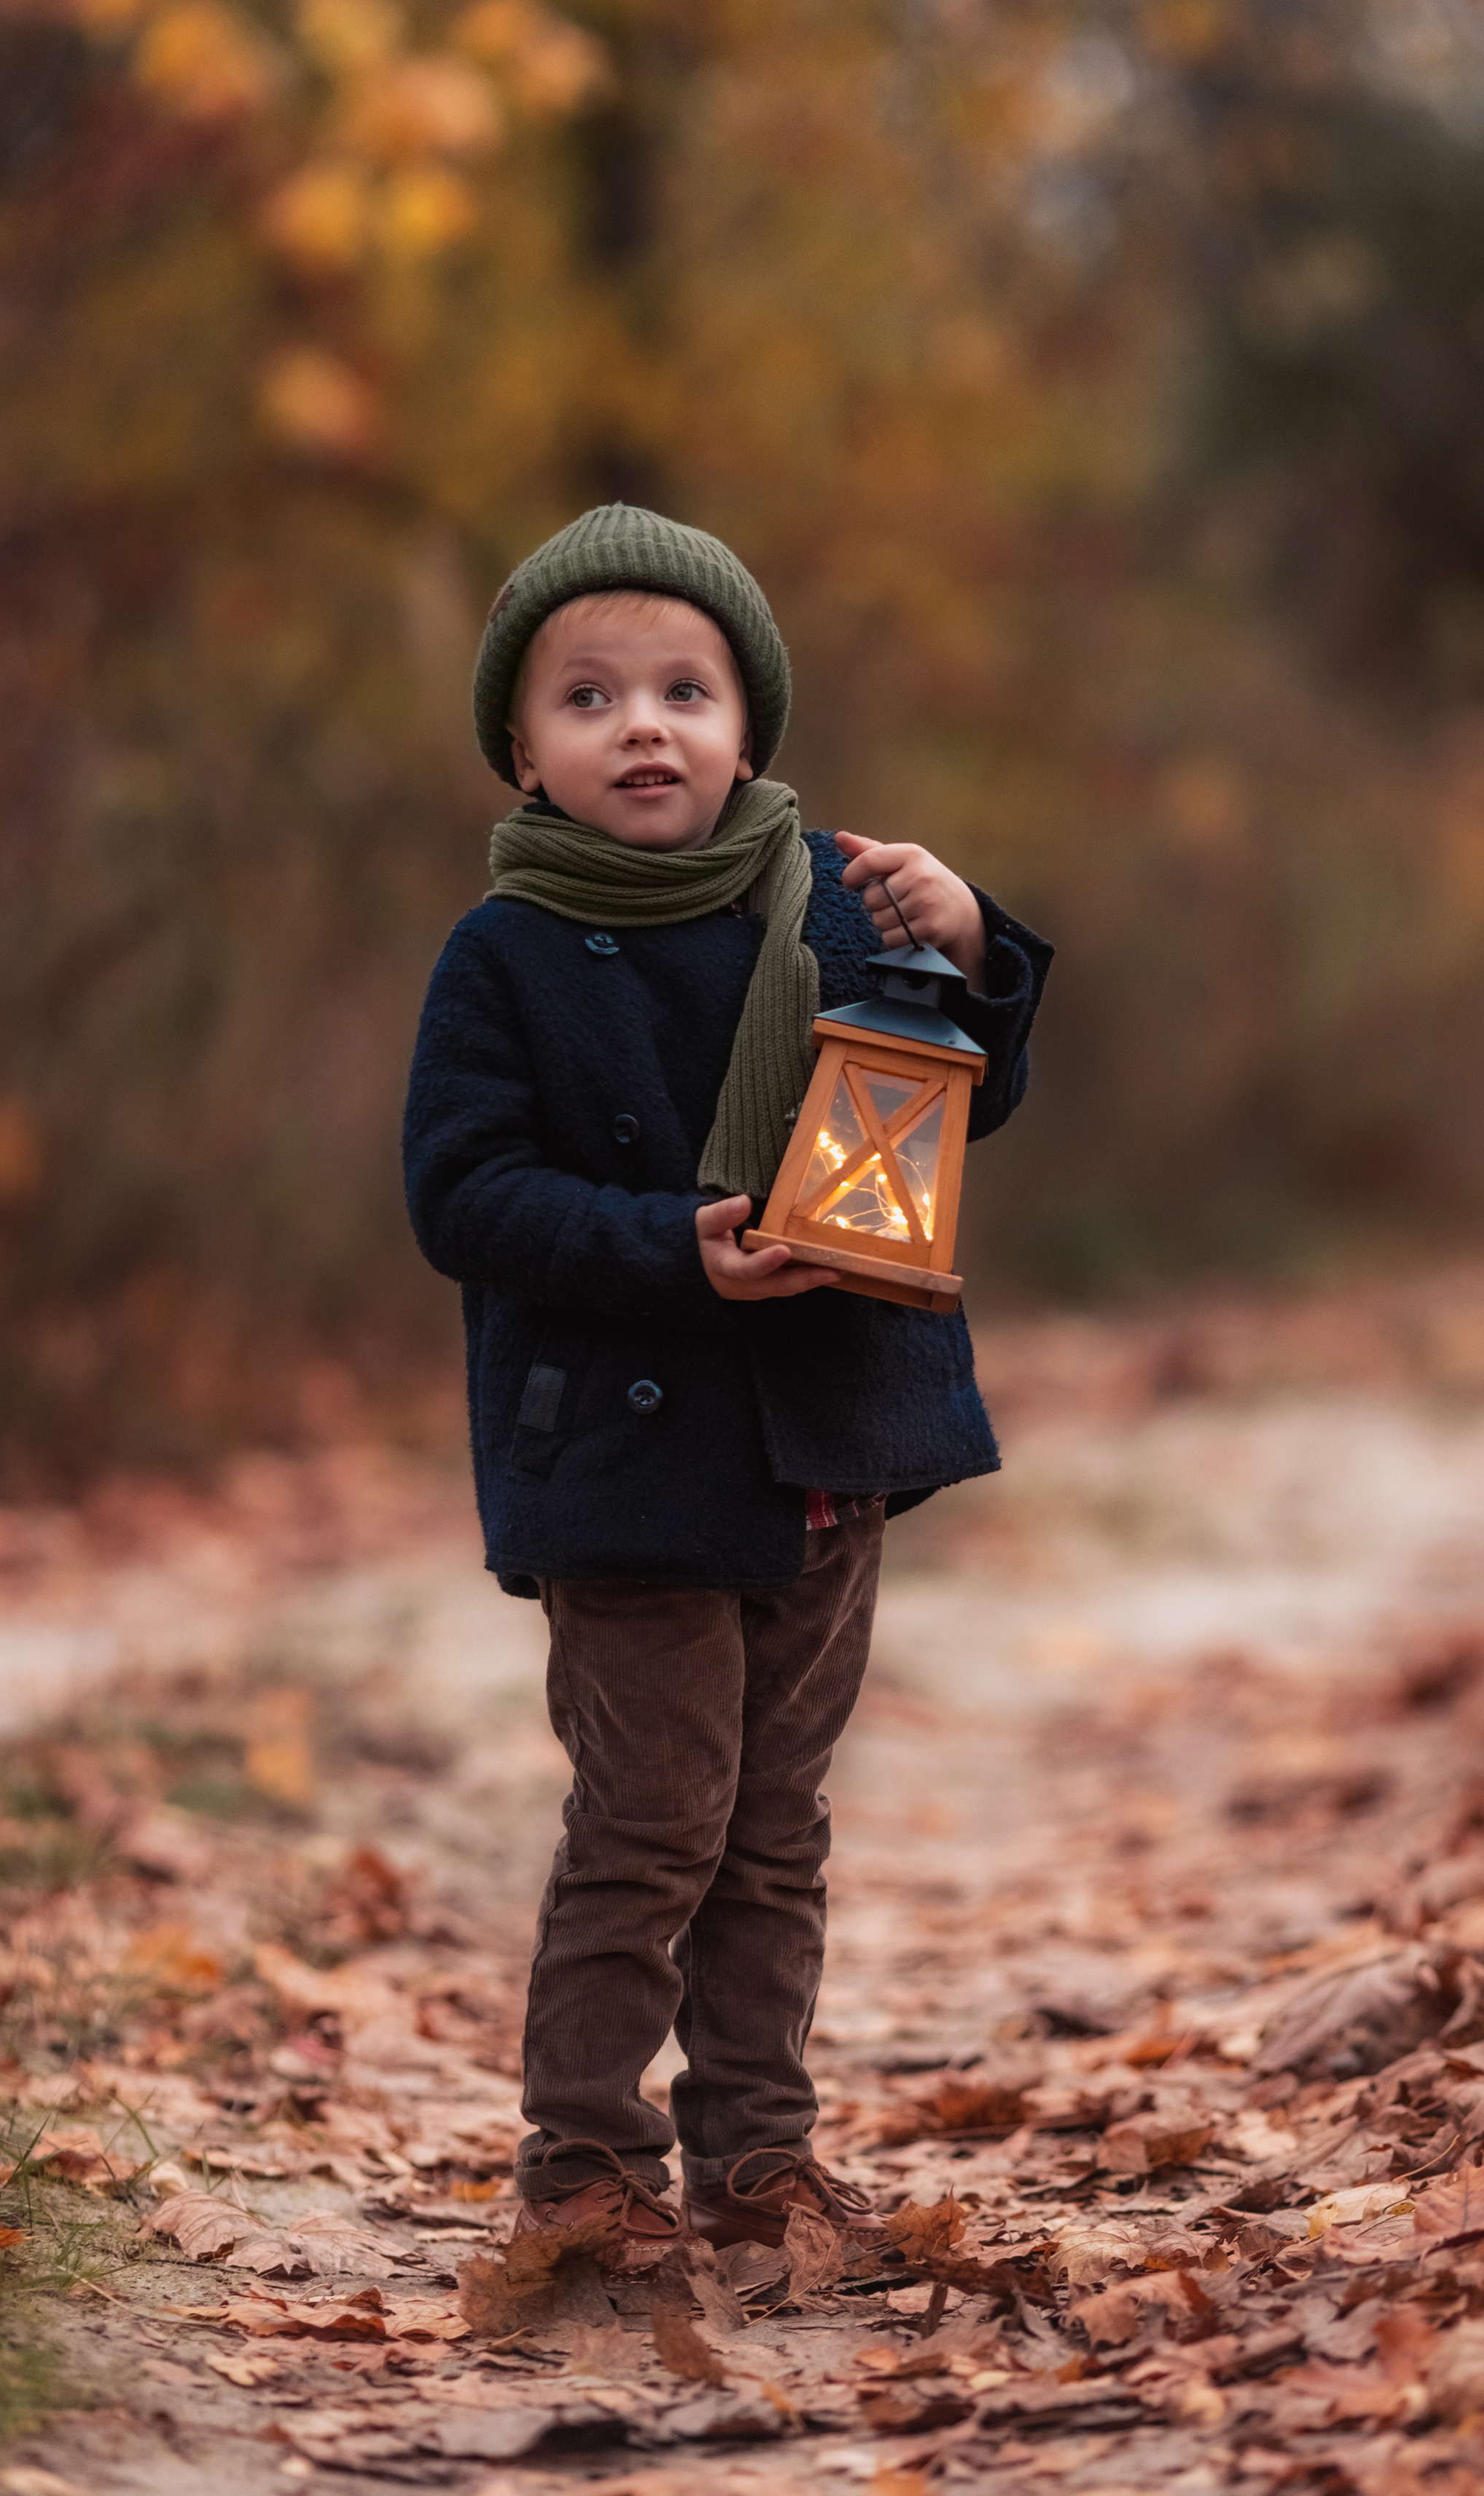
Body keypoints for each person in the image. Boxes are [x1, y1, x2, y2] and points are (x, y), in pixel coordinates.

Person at [403, 503, 1051, 2257]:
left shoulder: (833, 905)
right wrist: (664, 1244)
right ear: (523, 752)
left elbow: (946, 1103)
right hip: (626, 1465)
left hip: (820, 1434)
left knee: (773, 1827)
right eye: (589, 695)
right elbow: (461, 1196)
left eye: (684, 689)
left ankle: (758, 2154)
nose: (643, 726)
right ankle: (585, 2162)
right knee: (652, 1820)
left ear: (745, 725)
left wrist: (975, 946)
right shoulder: (507, 954)